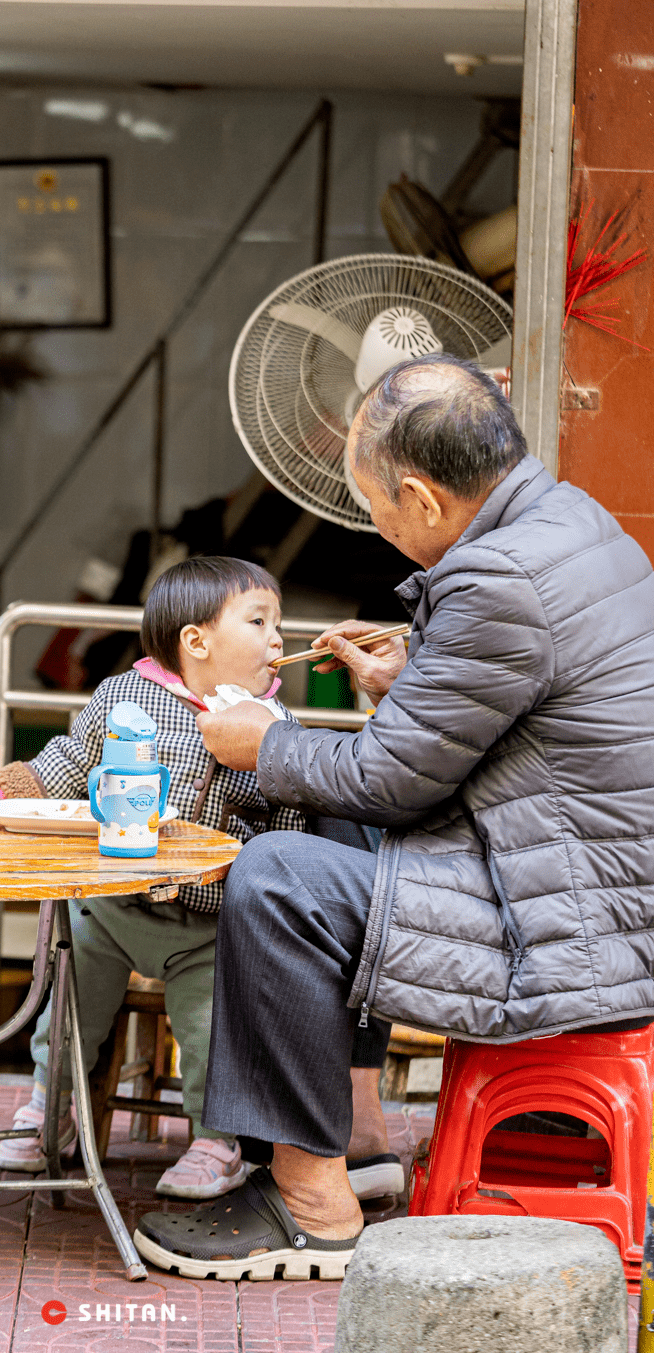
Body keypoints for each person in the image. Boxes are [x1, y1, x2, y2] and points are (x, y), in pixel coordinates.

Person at [133, 354, 654, 1281]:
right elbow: (511, 717)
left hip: (561, 922)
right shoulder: (569, 519)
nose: (372, 523)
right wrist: (411, 681)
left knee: (276, 874)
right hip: (579, 875)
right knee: (314, 823)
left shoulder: (498, 577)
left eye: (371, 503)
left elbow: (390, 781)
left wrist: (263, 744)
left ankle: (309, 1203)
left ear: (419, 495)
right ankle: (361, 1134)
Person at [0, 555, 396, 1201]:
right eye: (259, 621)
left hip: (208, 925)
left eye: (277, 624)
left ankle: (215, 1139)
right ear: (196, 641)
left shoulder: (276, 728)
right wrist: (4, 789)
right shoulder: (122, 697)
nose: (279, 640)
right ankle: (52, 1108)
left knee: (209, 1033)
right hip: (112, 907)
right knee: (69, 1010)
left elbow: (289, 825)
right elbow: (70, 760)